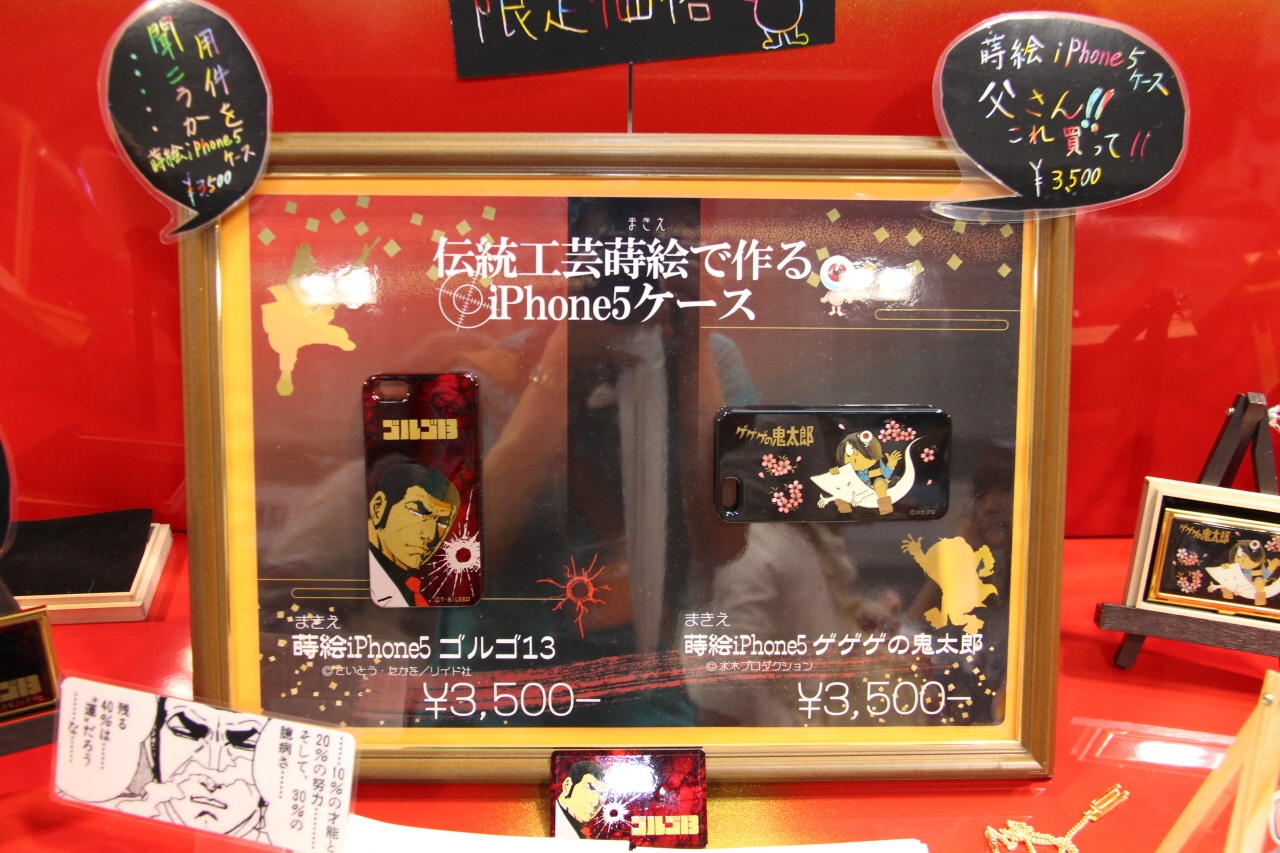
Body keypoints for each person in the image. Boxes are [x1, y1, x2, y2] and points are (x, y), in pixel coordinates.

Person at [107, 698, 269, 840]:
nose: (212, 772)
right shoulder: (109, 821)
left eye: (246, 744)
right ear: (153, 744)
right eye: (185, 732)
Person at [367, 462, 460, 607]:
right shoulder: (350, 571)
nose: (430, 536)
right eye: (417, 512)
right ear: (378, 508)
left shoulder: (425, 585)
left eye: (443, 523)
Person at [554, 760, 607, 839]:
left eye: (602, 794)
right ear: (567, 786)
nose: (595, 802)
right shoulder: (556, 825)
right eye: (590, 788)